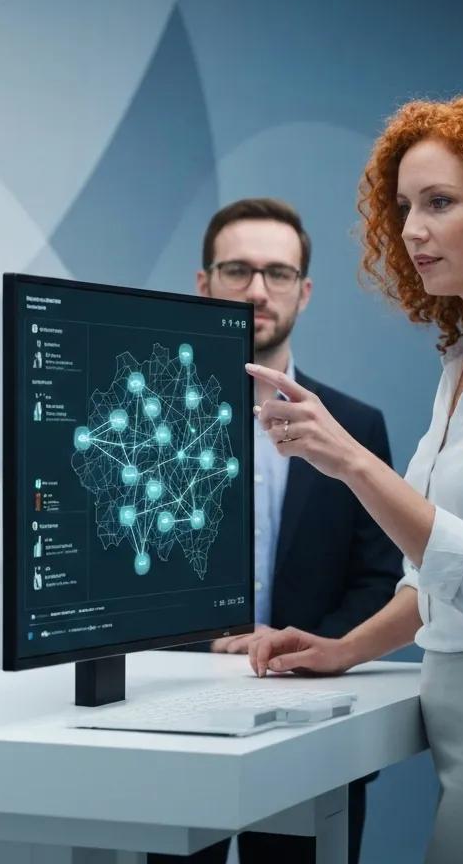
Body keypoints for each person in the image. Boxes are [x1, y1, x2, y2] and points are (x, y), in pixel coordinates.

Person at [248, 97, 463, 864]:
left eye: (439, 203)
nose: (411, 230)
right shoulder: (458, 363)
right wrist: (345, 649)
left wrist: (351, 461)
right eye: (405, 207)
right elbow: (438, 576)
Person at [152, 198, 401, 864]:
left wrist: (308, 651)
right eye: (237, 270)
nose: (258, 290)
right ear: (204, 284)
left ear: (304, 291)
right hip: (170, 721)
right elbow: (124, 576)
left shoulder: (356, 427)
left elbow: (379, 578)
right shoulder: (147, 426)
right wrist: (213, 640)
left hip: (313, 726)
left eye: (278, 273)